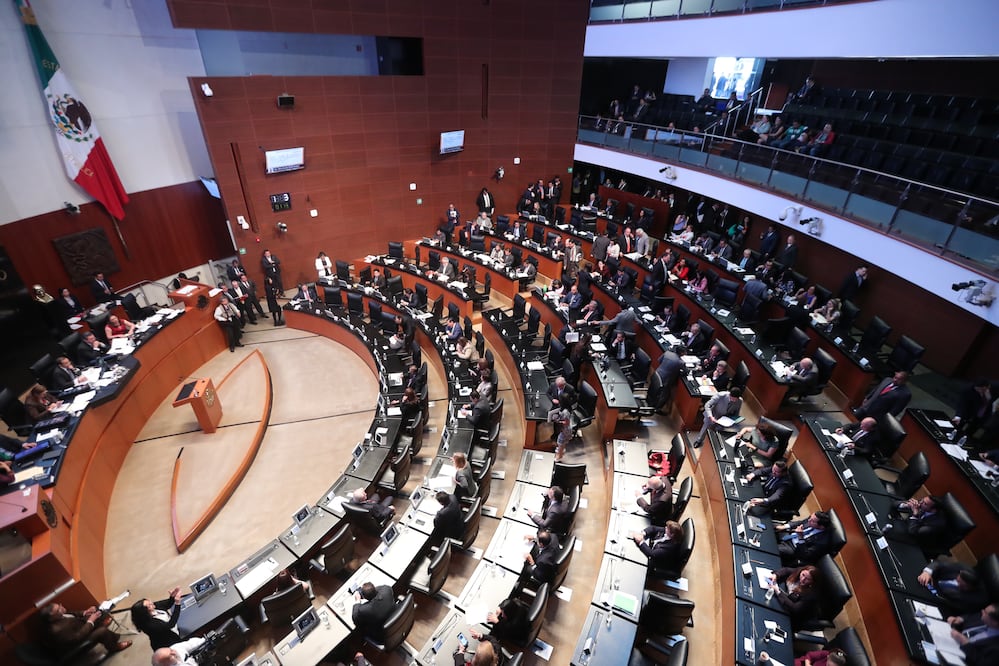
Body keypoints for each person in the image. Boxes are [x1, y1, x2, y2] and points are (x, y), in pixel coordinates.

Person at [41, 602, 132, 656]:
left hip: (79, 626)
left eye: (59, 605)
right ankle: (114, 647)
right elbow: (77, 637)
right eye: (58, 610)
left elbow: (74, 614)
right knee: (102, 631)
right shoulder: (58, 630)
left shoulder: (60, 614)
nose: (61, 608)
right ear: (52, 618)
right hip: (78, 642)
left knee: (99, 611)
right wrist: (90, 621)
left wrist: (86, 612)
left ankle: (112, 637)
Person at [917, 559, 989, 615]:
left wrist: (933, 588)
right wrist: (928, 572)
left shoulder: (976, 599)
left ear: (972, 588)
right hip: (927, 582)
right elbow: (938, 563)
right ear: (960, 572)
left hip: (936, 599)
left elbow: (949, 603)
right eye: (958, 581)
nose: (958, 585)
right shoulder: (962, 567)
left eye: (963, 586)